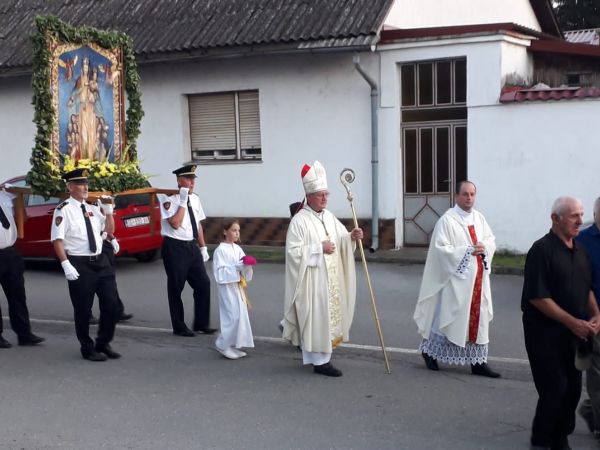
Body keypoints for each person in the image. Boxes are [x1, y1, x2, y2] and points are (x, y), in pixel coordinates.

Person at [522, 196, 600, 449]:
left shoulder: (580, 251)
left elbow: (586, 288)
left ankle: (559, 434)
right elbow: (539, 297)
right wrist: (572, 322)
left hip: (574, 334)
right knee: (555, 387)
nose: (580, 220)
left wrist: (596, 315)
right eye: (573, 215)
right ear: (555, 219)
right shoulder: (541, 250)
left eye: (581, 214)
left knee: (573, 388)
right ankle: (544, 440)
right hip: (544, 334)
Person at [282, 160, 363, 377]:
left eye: (326, 194)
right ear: (309, 196)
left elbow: (340, 240)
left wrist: (351, 237)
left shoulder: (329, 216)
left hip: (331, 280)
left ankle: (322, 356)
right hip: (313, 281)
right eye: (320, 194)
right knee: (317, 318)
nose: (325, 198)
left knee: (327, 318)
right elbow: (293, 253)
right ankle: (320, 362)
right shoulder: (299, 221)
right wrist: (319, 248)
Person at [413, 181, 500, 378]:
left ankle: (478, 362)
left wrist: (484, 247)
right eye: (465, 194)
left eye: (472, 194)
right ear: (456, 196)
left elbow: (490, 239)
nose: (469, 198)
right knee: (450, 317)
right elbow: (441, 250)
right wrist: (468, 250)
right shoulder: (447, 220)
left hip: (478, 279)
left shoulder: (479, 218)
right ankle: (430, 351)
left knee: (479, 318)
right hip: (456, 281)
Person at [51, 168, 121, 361]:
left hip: (101, 261)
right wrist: (65, 264)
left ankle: (103, 343)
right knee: (83, 309)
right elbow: (57, 240)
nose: (85, 187)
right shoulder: (64, 210)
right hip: (80, 263)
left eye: (86, 183)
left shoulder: (92, 208)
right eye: (81, 184)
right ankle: (87, 347)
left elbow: (107, 231)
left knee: (112, 305)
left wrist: (108, 214)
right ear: (70, 187)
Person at [160, 164, 215, 337]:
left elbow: (197, 224)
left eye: (193, 180)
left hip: (191, 246)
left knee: (203, 284)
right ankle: (179, 326)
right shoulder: (169, 199)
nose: (192, 183)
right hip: (175, 247)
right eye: (188, 180)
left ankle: (201, 323)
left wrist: (203, 246)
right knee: (176, 287)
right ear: (179, 181)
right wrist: (182, 201)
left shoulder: (196, 199)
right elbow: (175, 224)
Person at [0, 185, 45, 348]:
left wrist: (17, 197)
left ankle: (24, 334)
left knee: (17, 295)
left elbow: (23, 218)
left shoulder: (5, 197)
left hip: (10, 252)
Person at [574, 197, 600, 439]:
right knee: (597, 373)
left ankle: (590, 410)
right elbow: (582, 282)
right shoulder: (582, 241)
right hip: (594, 317)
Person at [212, 219, 256, 360]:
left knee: (240, 316)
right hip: (227, 288)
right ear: (225, 232)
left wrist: (246, 266)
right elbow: (219, 273)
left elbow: (243, 268)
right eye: (233, 230)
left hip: (237, 287)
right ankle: (222, 344)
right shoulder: (220, 250)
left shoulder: (237, 249)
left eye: (238, 230)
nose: (237, 233)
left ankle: (232, 344)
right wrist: (236, 268)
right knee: (232, 316)